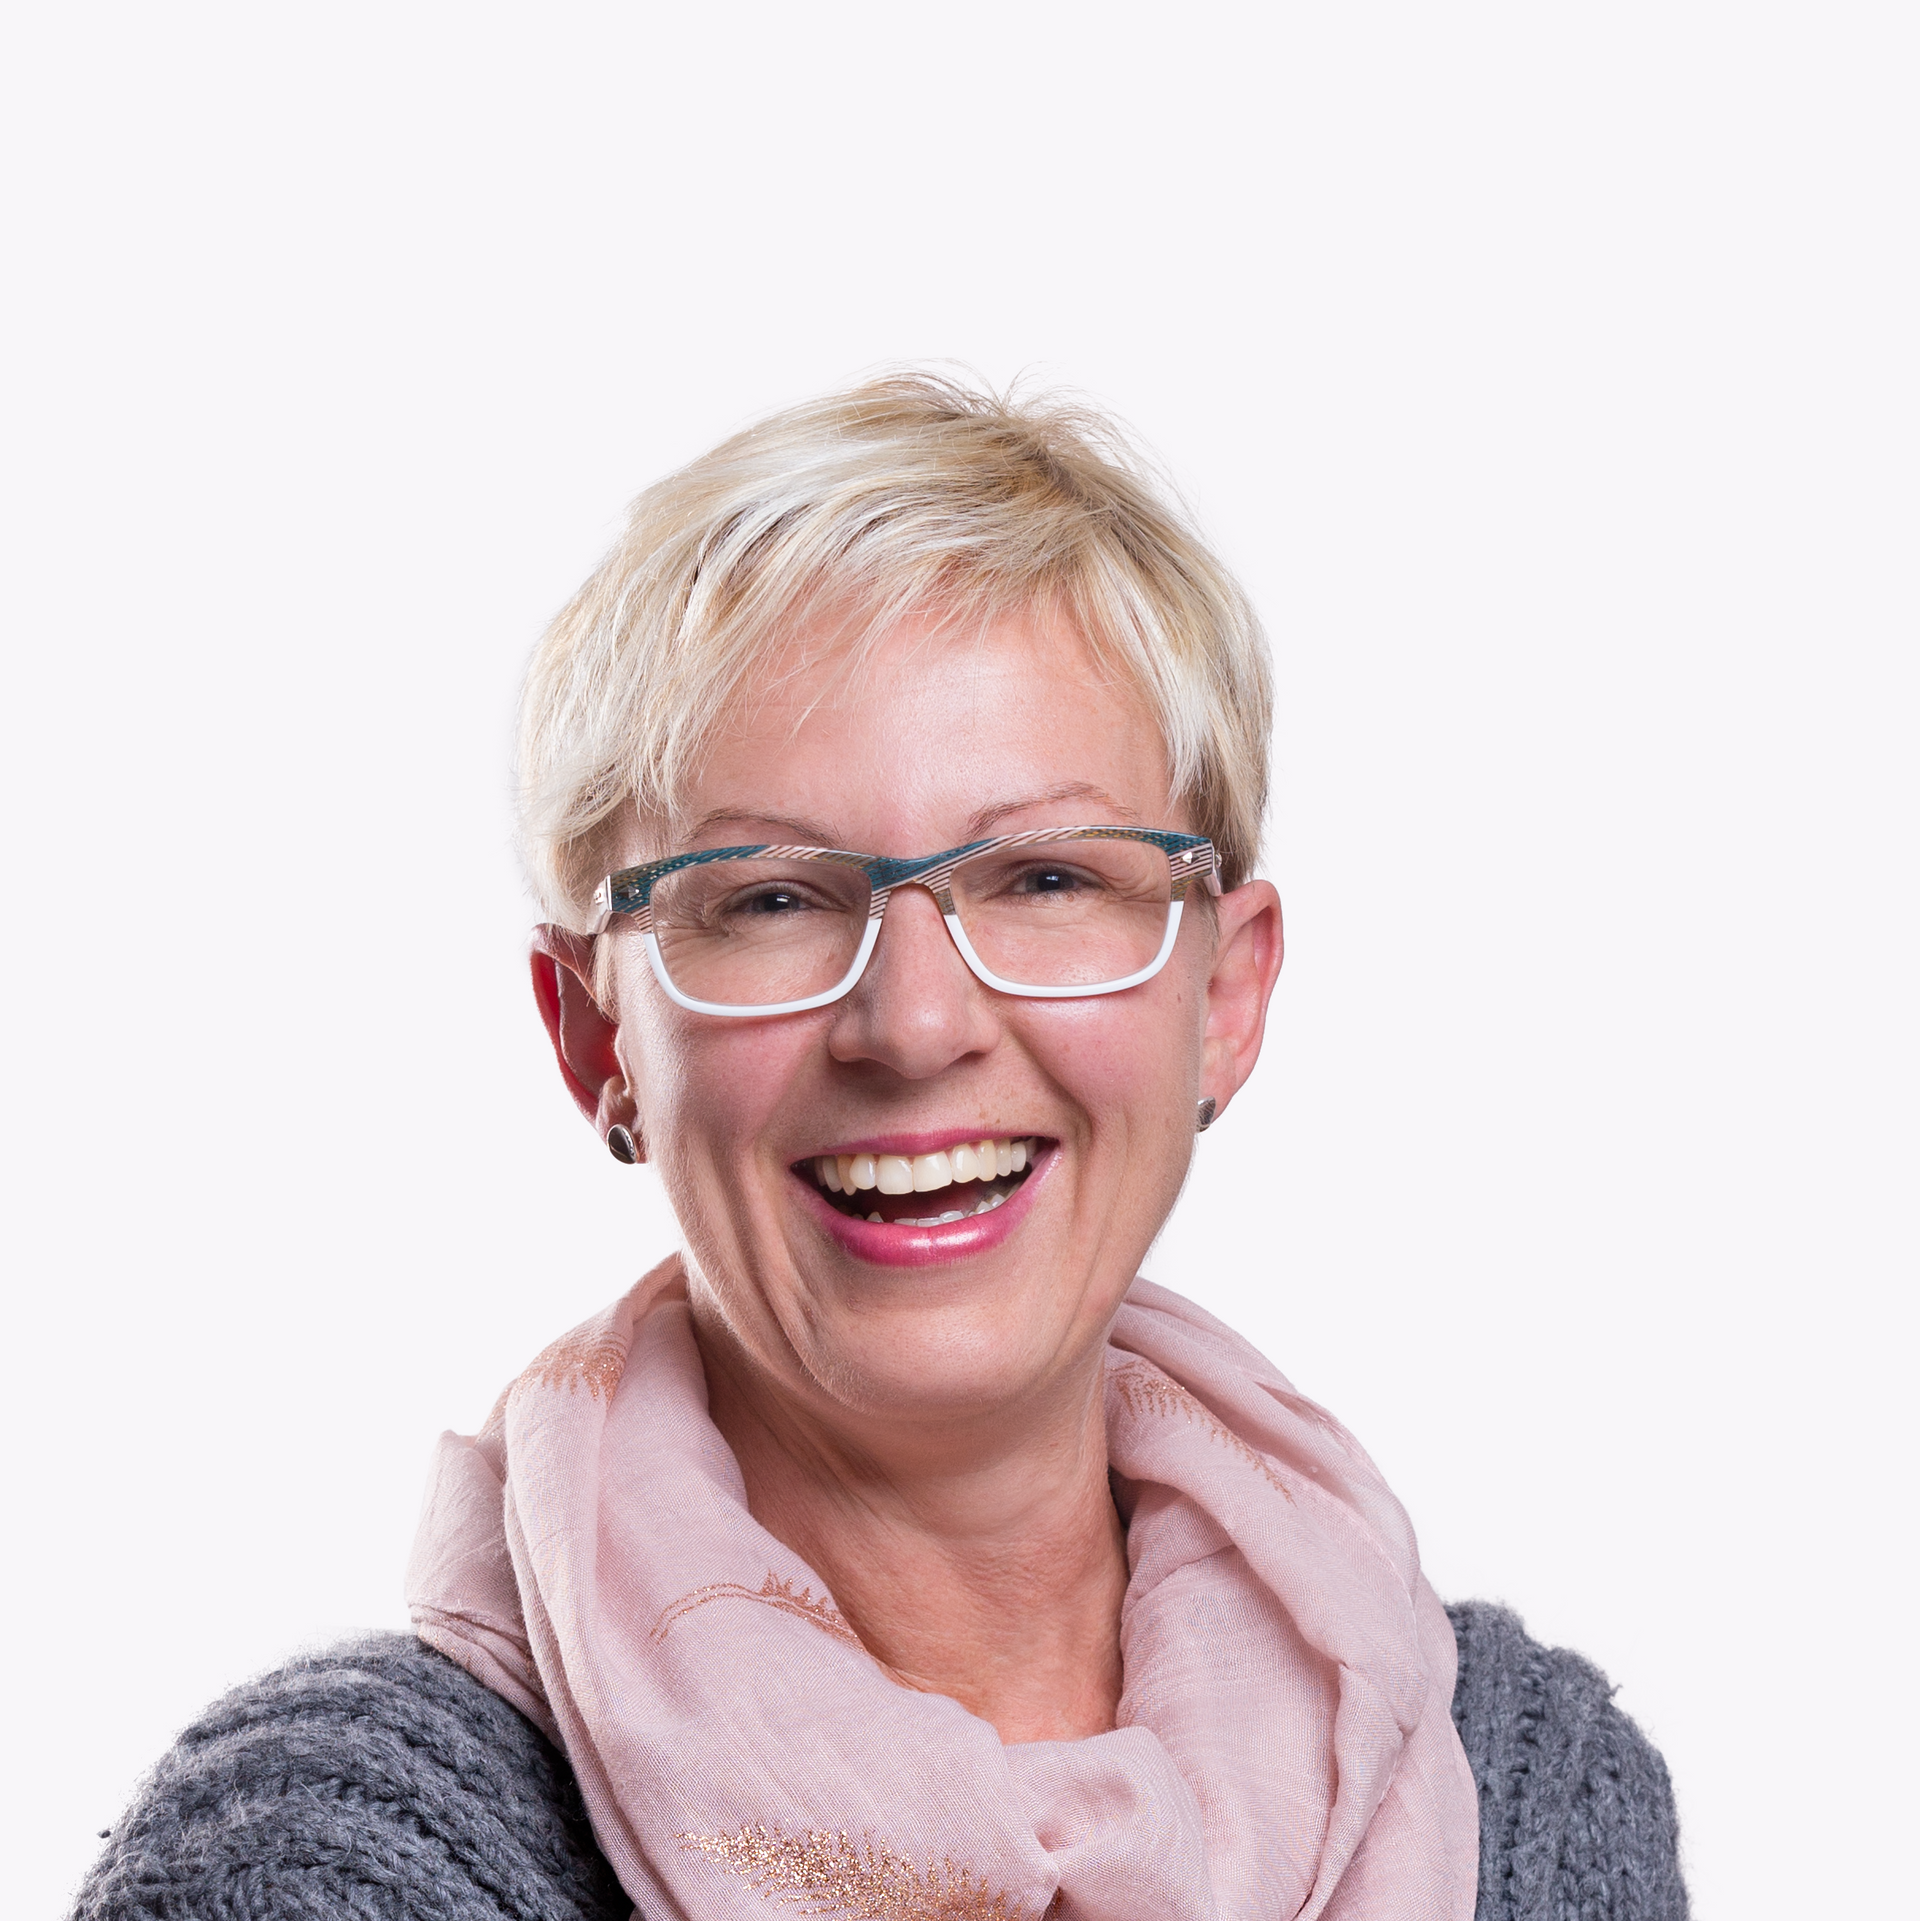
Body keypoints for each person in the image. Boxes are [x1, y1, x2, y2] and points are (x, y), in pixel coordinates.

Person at [73, 375, 1687, 1921]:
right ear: (595, 1040)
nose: (914, 1026)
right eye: (770, 900)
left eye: (1048, 879)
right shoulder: (332, 1861)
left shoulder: (1521, 1806)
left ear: (1226, 998)